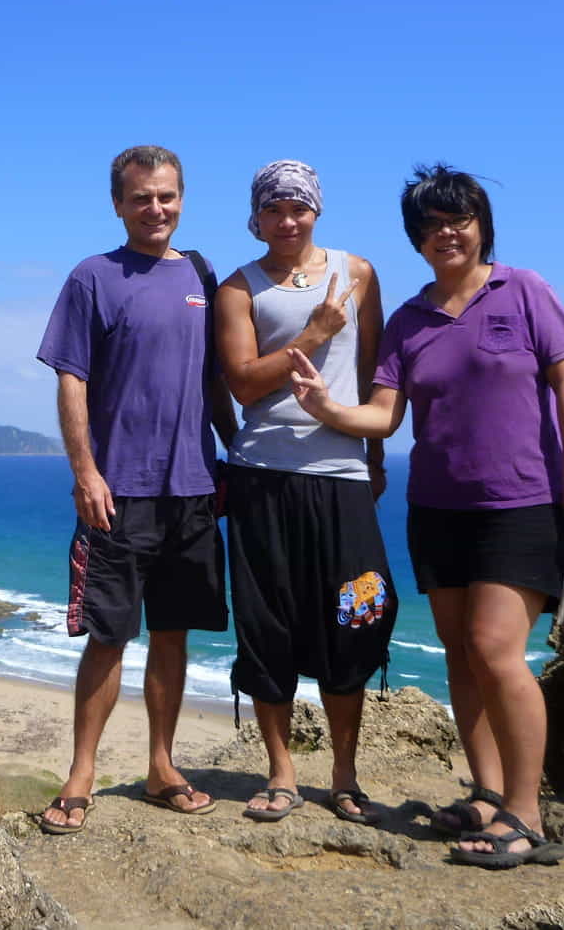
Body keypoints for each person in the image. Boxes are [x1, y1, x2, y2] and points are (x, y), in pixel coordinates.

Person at [285, 162, 564, 867]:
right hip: (437, 508)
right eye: (430, 225)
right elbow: (385, 414)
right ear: (417, 239)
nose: (445, 233)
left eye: (457, 219)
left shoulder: (522, 290)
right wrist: (328, 410)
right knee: (463, 654)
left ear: (481, 224)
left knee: (496, 649)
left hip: (521, 504)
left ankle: (527, 813)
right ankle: (489, 792)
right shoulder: (409, 319)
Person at [34, 144, 238, 835]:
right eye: (142, 197)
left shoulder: (205, 276)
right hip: (117, 492)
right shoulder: (93, 277)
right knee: (108, 636)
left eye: (168, 196)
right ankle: (81, 773)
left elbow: (213, 381)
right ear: (118, 204)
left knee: (173, 633)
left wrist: (232, 451)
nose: (157, 208)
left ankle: (161, 766)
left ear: (183, 199)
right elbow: (71, 379)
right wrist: (85, 471)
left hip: (192, 489)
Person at [215, 160, 397, 824]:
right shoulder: (240, 288)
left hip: (342, 475)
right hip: (262, 473)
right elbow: (242, 382)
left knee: (359, 608)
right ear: (257, 217)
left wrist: (374, 456)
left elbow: (378, 372)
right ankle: (282, 771)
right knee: (268, 623)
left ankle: (345, 773)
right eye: (274, 210)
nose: (287, 221)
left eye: (299, 208)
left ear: (316, 210)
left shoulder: (358, 273)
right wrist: (313, 334)